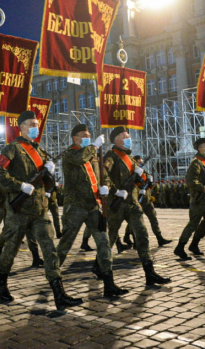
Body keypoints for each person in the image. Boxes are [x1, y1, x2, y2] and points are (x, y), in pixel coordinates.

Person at [0, 111, 82, 310]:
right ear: (21, 126)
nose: (36, 127)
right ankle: (1, 281)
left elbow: (45, 180)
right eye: (32, 123)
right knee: (12, 248)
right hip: (19, 210)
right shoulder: (12, 149)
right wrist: (19, 185)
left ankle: (59, 294)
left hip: (40, 209)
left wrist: (49, 174)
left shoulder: (40, 151)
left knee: (50, 250)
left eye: (37, 123)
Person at [56, 124, 128, 297]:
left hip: (94, 205)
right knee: (65, 244)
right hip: (75, 206)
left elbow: (102, 175)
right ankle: (53, 278)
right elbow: (80, 158)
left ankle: (109, 283)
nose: (88, 137)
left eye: (89, 135)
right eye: (84, 135)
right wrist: (94, 146)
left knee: (104, 243)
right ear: (75, 138)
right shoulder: (71, 154)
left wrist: (106, 187)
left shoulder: (93, 155)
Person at [103, 126, 170, 285]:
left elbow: (138, 181)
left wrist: (144, 177)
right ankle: (100, 266)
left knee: (142, 235)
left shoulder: (130, 158)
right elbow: (103, 174)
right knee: (110, 238)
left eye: (128, 136)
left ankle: (150, 272)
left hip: (132, 203)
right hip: (117, 204)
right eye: (125, 136)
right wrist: (115, 191)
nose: (128, 139)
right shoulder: (111, 156)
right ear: (116, 139)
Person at [133, 155, 172, 247]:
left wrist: (150, 182)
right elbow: (132, 184)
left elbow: (149, 185)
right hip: (138, 200)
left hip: (147, 199)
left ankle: (159, 238)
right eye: (139, 160)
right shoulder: (133, 172)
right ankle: (134, 241)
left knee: (153, 219)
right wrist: (139, 189)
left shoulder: (144, 171)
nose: (141, 161)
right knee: (135, 222)